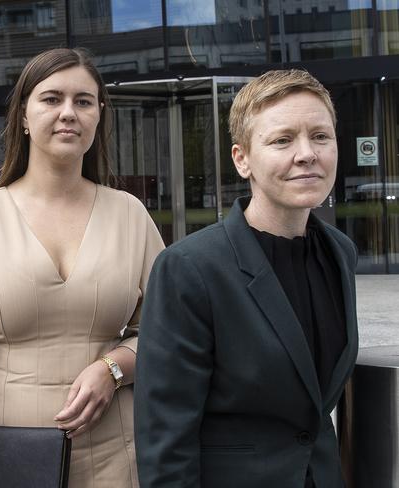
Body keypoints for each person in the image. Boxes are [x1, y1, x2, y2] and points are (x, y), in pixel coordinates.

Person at [0, 47, 165, 488]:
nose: (68, 113)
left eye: (83, 101)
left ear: (98, 115)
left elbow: (168, 331)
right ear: (22, 115)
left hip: (116, 451)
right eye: (51, 99)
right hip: (9, 455)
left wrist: (113, 369)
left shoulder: (130, 215)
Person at [134, 69, 358, 488]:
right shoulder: (189, 268)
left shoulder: (340, 253)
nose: (307, 153)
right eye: (282, 139)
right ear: (242, 159)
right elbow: (165, 440)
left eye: (321, 136)